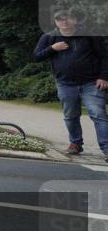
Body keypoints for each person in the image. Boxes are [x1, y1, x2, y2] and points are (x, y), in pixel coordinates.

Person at [33, 9, 108, 160]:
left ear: (74, 20)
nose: (64, 22)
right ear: (55, 22)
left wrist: (103, 77)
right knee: (70, 115)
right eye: (60, 19)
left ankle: (106, 148)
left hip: (91, 83)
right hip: (65, 84)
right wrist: (52, 48)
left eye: (67, 18)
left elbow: (104, 56)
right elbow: (36, 56)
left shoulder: (89, 36)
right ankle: (75, 144)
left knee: (98, 113)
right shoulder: (49, 37)